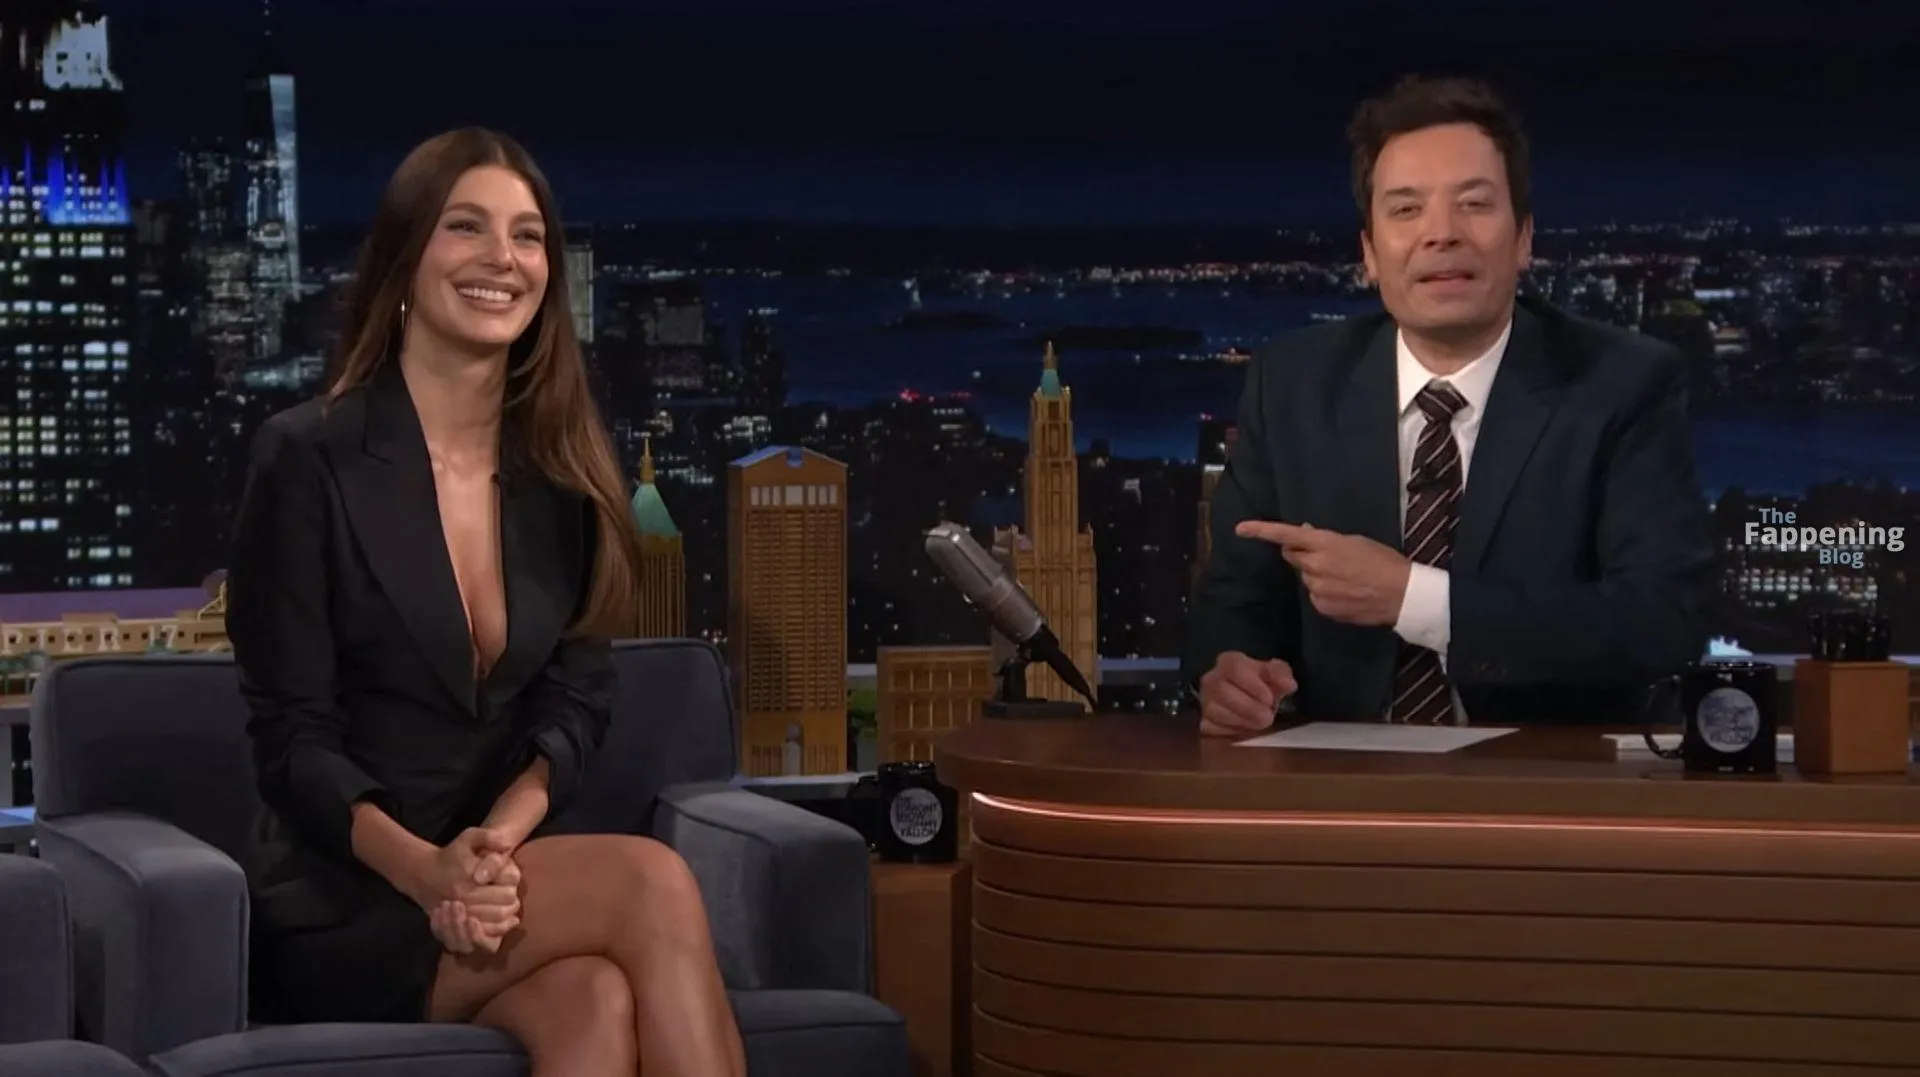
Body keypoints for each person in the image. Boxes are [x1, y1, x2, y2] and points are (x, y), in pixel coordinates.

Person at [227, 128, 746, 1077]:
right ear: (405, 256)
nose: (502, 258)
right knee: (649, 882)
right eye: (466, 227)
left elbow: (574, 703)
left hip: (498, 877)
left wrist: (494, 849)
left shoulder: (563, 472)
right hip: (350, 895)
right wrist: (428, 873)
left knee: (594, 1003)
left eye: (527, 235)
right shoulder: (307, 458)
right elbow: (292, 741)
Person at [1184, 75, 1713, 737]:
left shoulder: (1623, 383)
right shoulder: (1292, 384)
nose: (1441, 233)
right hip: (1334, 778)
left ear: (1523, 238)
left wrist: (1415, 599)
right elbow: (1233, 601)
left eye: (1474, 204)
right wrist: (1227, 671)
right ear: (1369, 254)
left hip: (1544, 779)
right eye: (1406, 209)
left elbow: (1661, 622)